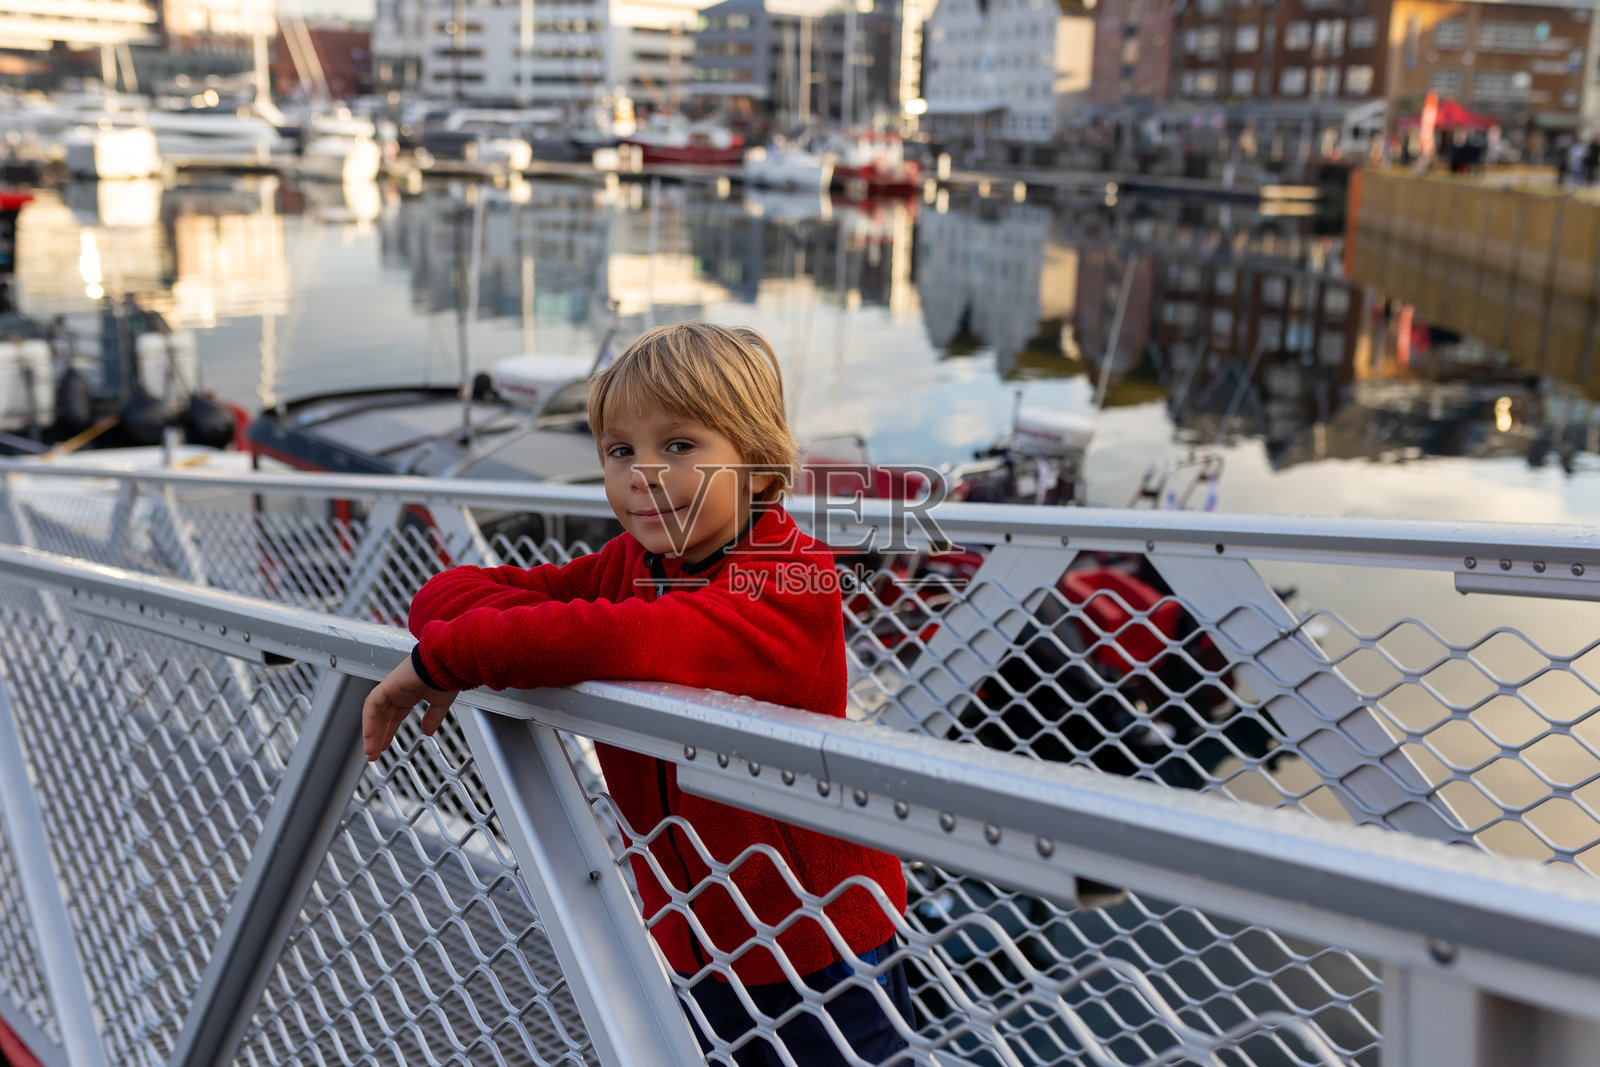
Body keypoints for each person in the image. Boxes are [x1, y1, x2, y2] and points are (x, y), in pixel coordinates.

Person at [360, 321, 914, 1066]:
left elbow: (631, 638)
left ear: (756, 465)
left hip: (817, 940)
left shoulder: (790, 578)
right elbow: (448, 591)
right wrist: (460, 643)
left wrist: (447, 659)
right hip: (692, 932)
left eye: (678, 446)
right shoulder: (633, 563)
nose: (641, 474)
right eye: (620, 450)